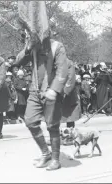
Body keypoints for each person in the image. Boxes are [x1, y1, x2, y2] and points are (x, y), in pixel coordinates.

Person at [14, 29, 69, 171]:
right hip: (35, 91)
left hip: (51, 91)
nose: (27, 37)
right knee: (30, 121)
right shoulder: (32, 48)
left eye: (29, 35)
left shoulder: (57, 46)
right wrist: (27, 47)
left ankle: (55, 160)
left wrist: (54, 89)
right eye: (26, 35)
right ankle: (46, 153)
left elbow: (63, 70)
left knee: (52, 126)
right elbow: (18, 61)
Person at [60, 59, 81, 145]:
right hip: (63, 98)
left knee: (70, 118)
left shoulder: (73, 77)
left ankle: (70, 137)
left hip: (70, 98)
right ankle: (62, 136)